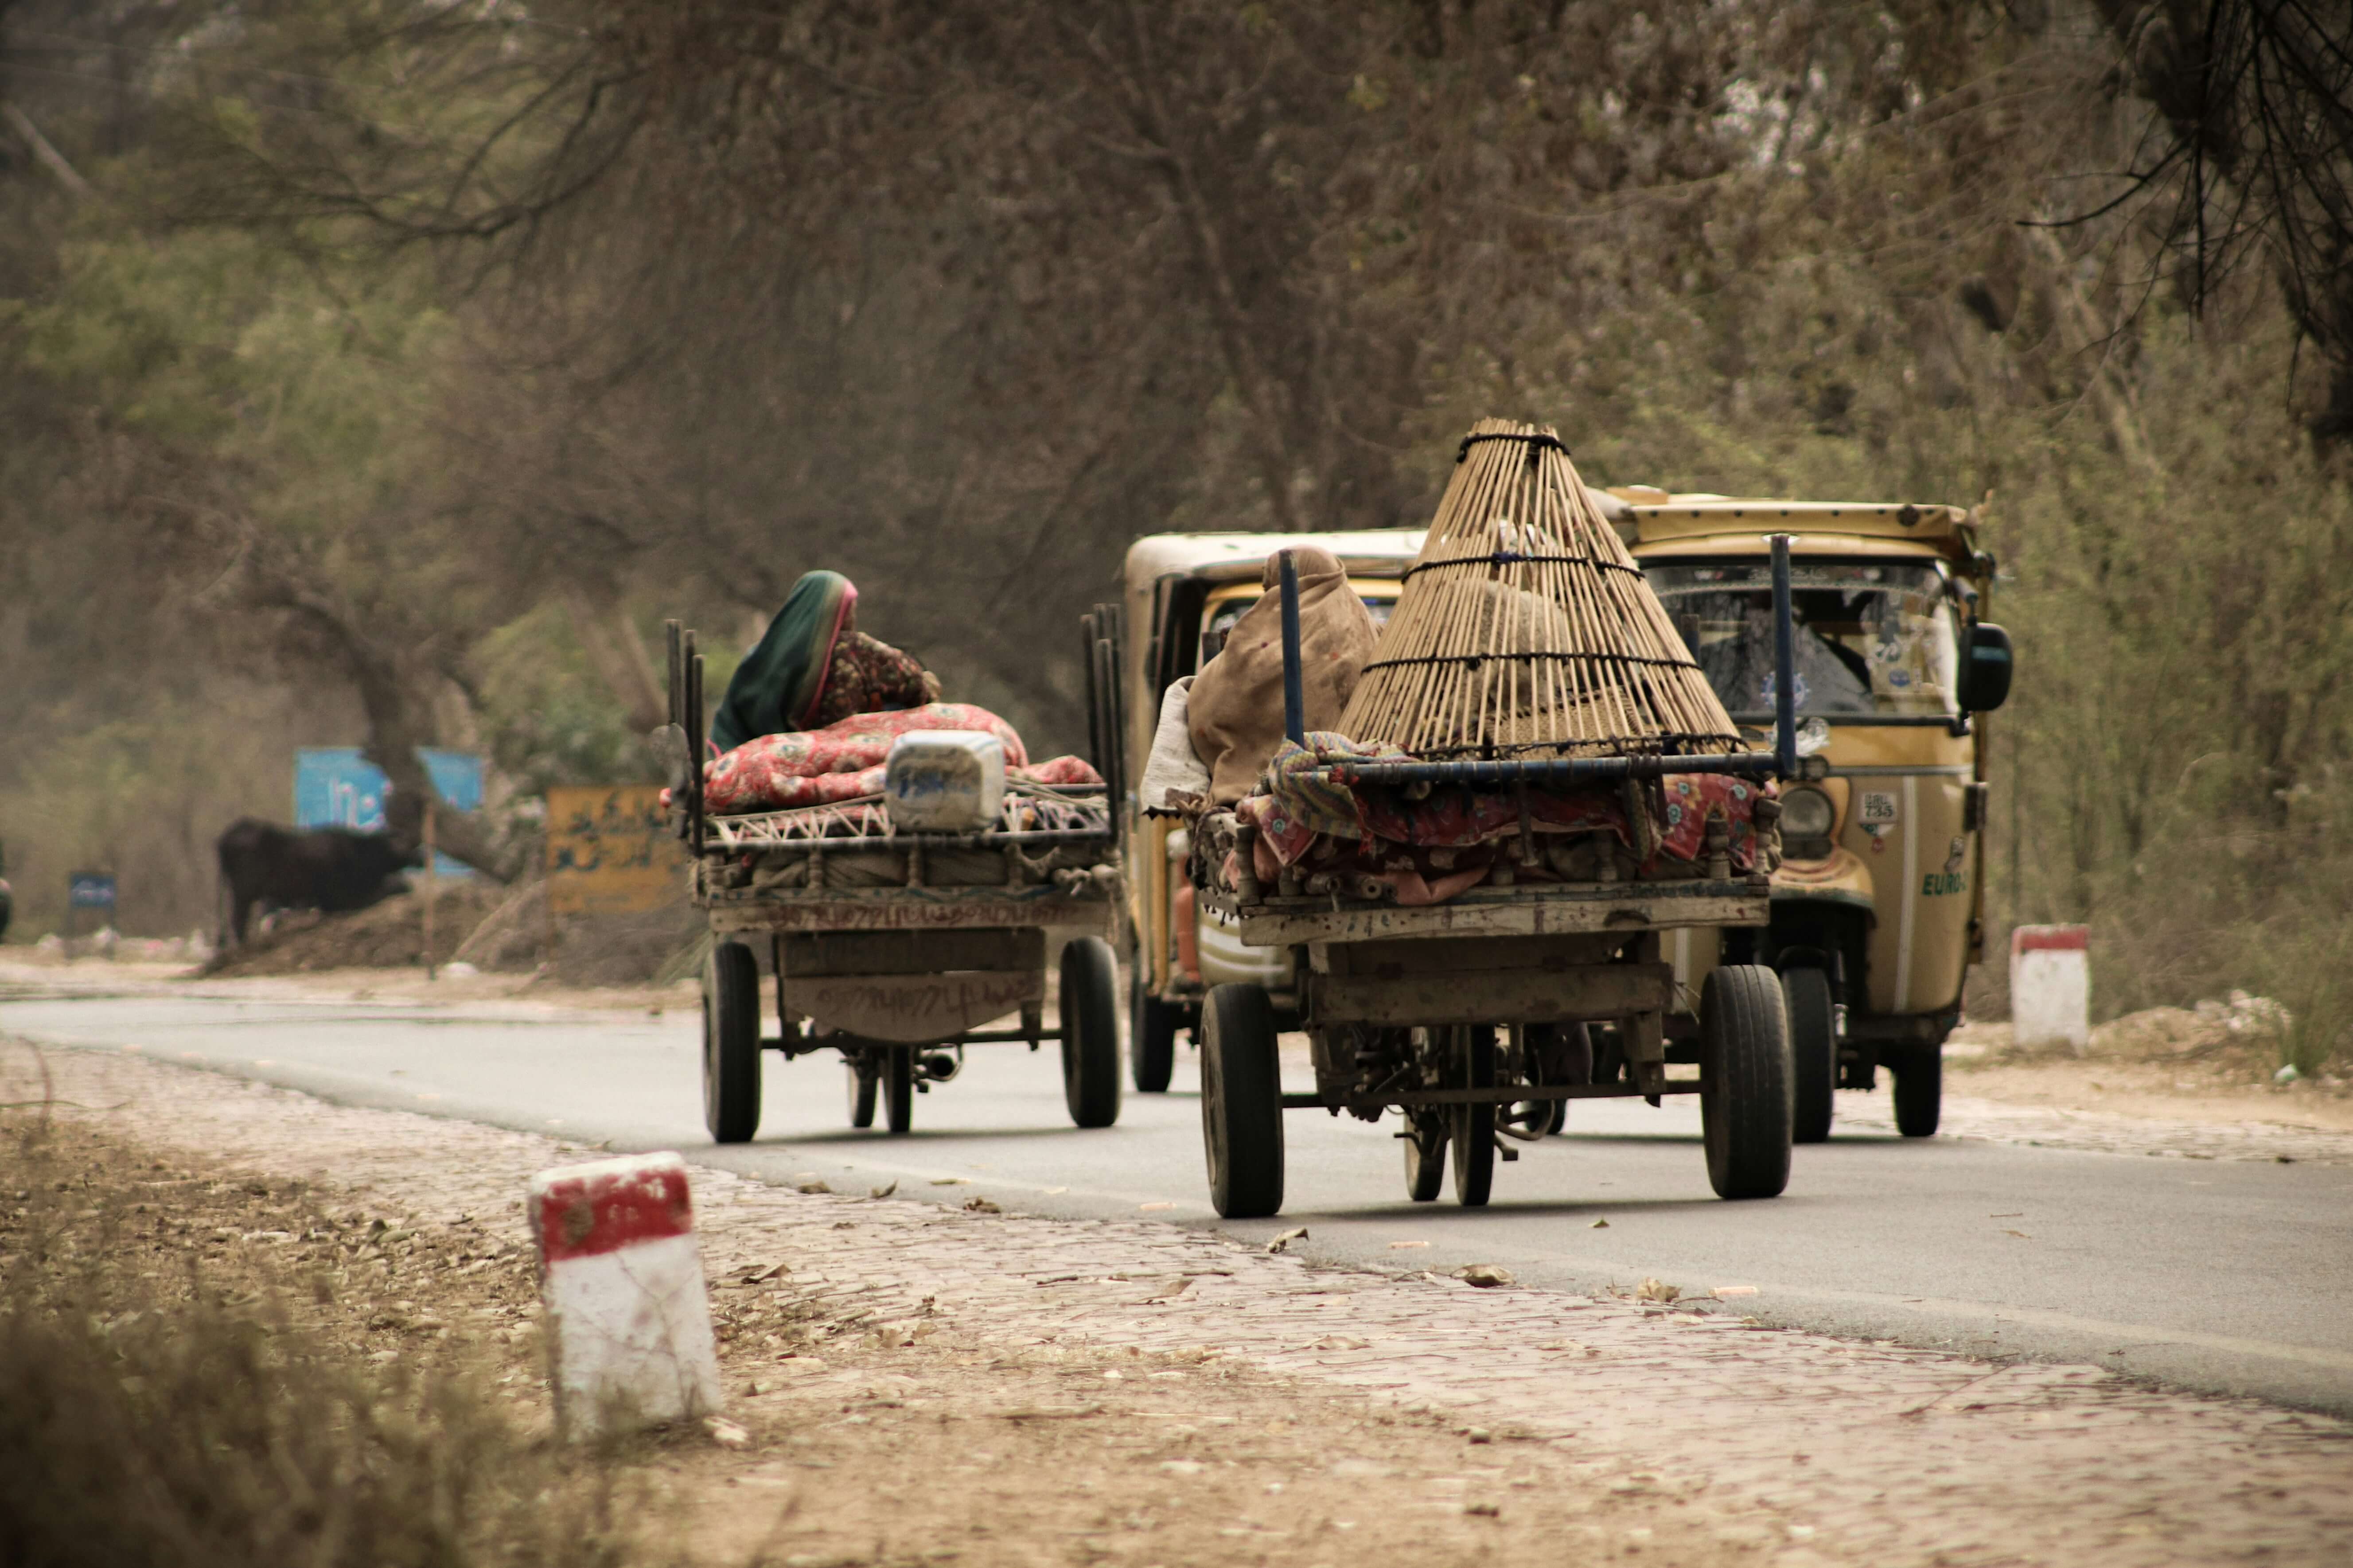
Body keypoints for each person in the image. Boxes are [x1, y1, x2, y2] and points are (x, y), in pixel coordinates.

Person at [709, 571, 942, 753]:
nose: (853, 615)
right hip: (840, 747)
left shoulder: (761, 655)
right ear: (835, 611)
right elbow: (917, 684)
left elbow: (735, 715)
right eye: (849, 607)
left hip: (761, 748)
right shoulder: (853, 648)